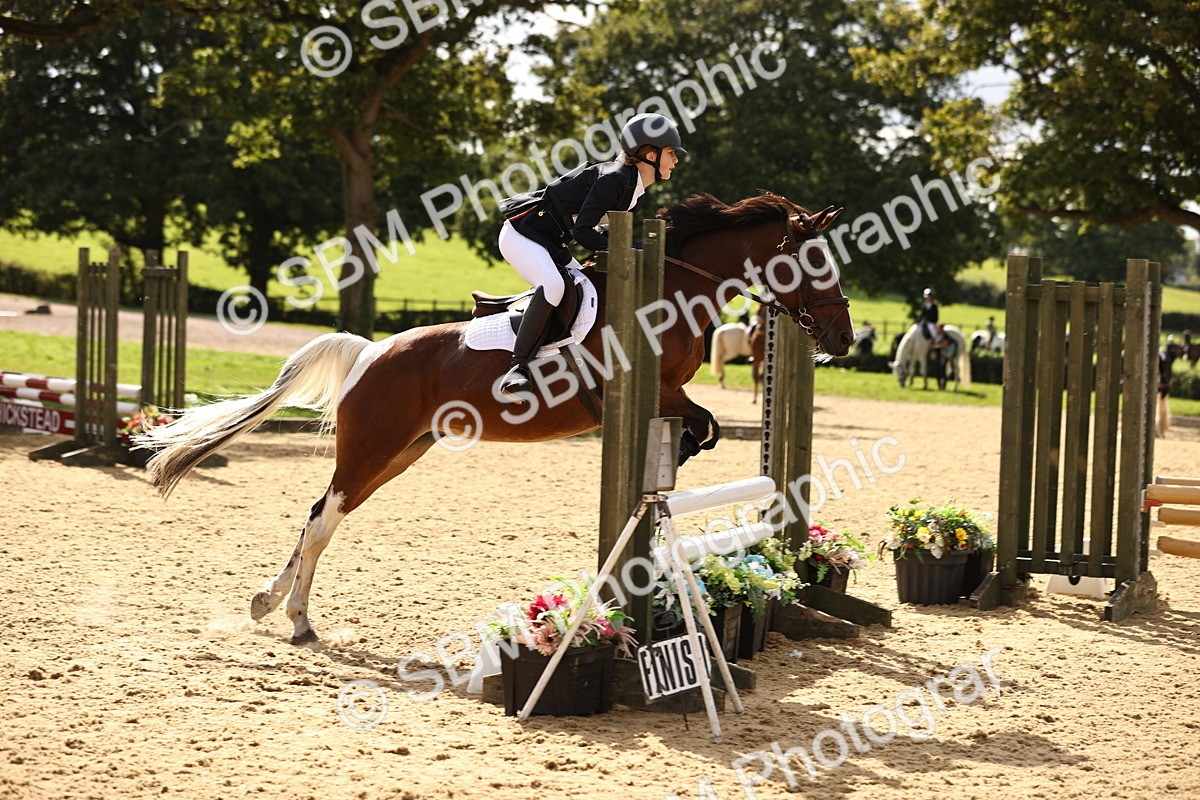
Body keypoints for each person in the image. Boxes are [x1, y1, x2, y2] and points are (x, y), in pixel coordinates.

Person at [494, 113, 684, 402]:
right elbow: (584, 232)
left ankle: (559, 355)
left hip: (551, 243)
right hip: (523, 234)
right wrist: (627, 250)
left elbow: (603, 236)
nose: (676, 160)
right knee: (555, 287)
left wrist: (632, 247)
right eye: (671, 153)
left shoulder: (635, 192)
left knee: (586, 288)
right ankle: (517, 369)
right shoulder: (614, 181)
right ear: (650, 154)